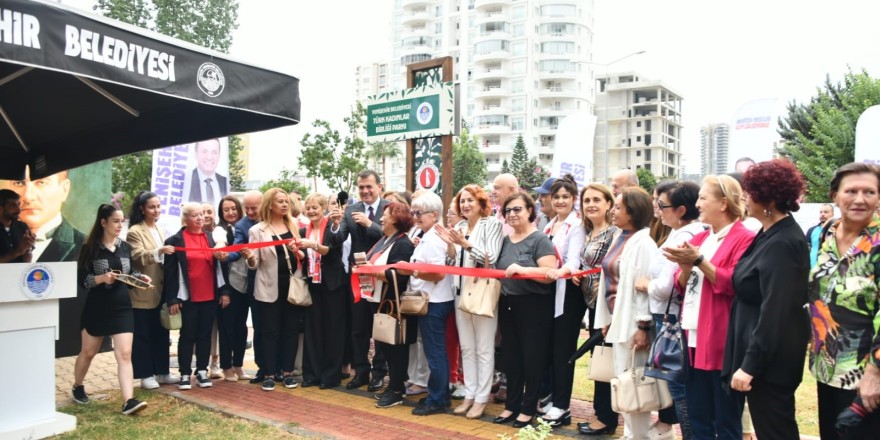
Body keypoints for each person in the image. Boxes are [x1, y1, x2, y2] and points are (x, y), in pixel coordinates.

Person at [723, 159, 810, 439]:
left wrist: (750, 365)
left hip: (771, 360)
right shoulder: (768, 233)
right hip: (763, 352)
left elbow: (776, 310)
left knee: (775, 430)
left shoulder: (783, 242)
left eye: (749, 192)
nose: (744, 199)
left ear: (767, 197)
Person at [664, 175, 755, 440]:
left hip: (721, 338)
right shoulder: (702, 236)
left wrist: (699, 260)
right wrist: (684, 268)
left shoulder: (744, 238)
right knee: (697, 414)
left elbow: (735, 283)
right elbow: (682, 285)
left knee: (726, 418)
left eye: (704, 197)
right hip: (692, 334)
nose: (698, 203)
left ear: (724, 203)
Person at [808, 162, 880, 439]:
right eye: (851, 191)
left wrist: (875, 374)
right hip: (827, 367)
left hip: (866, 376)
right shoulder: (828, 232)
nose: (860, 199)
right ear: (835, 196)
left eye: (869, 192)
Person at [634, 180, 703, 439]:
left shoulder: (685, 236)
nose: (657, 209)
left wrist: (646, 284)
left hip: (672, 318)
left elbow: (665, 287)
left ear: (682, 210)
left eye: (661, 205)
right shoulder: (678, 232)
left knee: (679, 387)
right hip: (670, 316)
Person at [71, 204, 150, 415]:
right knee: (88, 352)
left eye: (122, 221)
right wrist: (102, 278)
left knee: (124, 353)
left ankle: (128, 401)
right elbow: (83, 281)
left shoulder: (124, 246)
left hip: (122, 306)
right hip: (97, 307)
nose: (120, 225)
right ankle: (78, 385)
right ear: (103, 222)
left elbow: (129, 270)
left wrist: (139, 277)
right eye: (116, 221)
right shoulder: (90, 248)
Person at [593, 188, 657, 439]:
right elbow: (611, 279)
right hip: (619, 321)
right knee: (623, 381)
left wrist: (643, 327)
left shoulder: (644, 244)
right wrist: (608, 319)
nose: (613, 211)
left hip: (634, 325)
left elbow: (643, 289)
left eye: (618, 207)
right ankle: (631, 434)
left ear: (633, 213)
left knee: (634, 383)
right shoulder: (621, 237)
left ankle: (637, 435)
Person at [435, 184, 503, 419]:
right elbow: (452, 264)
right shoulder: (460, 226)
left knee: (484, 349)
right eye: (462, 201)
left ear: (481, 203)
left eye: (470, 200)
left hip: (482, 293)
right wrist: (451, 247)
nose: (465, 205)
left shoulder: (492, 224)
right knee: (467, 348)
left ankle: (482, 398)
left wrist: (465, 244)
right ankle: (470, 394)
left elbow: (491, 259)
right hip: (459, 292)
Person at [492, 193, 558, 428]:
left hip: (534, 305)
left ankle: (528, 409)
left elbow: (550, 274)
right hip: (508, 304)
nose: (512, 214)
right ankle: (511, 406)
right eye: (508, 210)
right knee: (512, 359)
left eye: (517, 209)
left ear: (531, 211)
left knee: (533, 359)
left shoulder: (540, 240)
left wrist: (522, 269)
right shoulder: (505, 240)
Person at [241, 188, 305, 392]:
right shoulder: (257, 230)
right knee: (269, 331)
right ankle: (268, 373)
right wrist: (249, 257)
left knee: (290, 331)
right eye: (280, 201)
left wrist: (299, 253)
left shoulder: (293, 225)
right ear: (270, 205)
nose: (285, 205)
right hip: (269, 286)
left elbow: (301, 255)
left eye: (286, 201)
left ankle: (287, 372)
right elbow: (255, 263)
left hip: (292, 285)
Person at [164, 202, 229, 390]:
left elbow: (220, 267)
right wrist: (172, 299)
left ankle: (201, 370)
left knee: (205, 335)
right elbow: (169, 273)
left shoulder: (210, 238)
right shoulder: (174, 241)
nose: (200, 218)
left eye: (201, 214)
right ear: (185, 218)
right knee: (187, 335)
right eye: (195, 215)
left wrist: (224, 291)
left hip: (209, 295)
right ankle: (184, 373)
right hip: (187, 297)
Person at [538, 175, 586, 427]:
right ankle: (552, 399)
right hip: (548, 293)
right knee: (549, 350)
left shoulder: (577, 226)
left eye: (565, 197)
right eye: (556, 197)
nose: (560, 201)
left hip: (568, 294)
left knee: (563, 352)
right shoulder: (548, 226)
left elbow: (574, 261)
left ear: (573, 199)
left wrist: (560, 270)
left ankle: (562, 406)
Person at [572, 183, 619, 436]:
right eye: (586, 200)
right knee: (599, 360)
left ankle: (606, 418)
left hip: (608, 307)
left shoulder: (614, 233)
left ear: (609, 204)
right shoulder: (588, 233)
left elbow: (613, 270)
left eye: (596, 200)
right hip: (592, 306)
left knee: (606, 361)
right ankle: (601, 412)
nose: (590, 204)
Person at [403, 192, 456, 415]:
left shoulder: (434, 238)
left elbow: (437, 274)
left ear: (434, 215)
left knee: (435, 354)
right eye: (413, 212)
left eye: (419, 213)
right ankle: (437, 394)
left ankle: (438, 398)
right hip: (432, 300)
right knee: (435, 352)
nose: (415, 217)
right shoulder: (429, 234)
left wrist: (413, 270)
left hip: (434, 301)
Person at [361, 202, 416, 408]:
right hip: (379, 301)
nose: (381, 219)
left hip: (394, 304)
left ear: (397, 218)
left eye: (385, 215)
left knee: (396, 349)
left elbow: (399, 275)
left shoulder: (403, 244)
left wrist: (371, 271)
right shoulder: (385, 240)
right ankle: (394, 386)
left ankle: (396, 389)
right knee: (386, 347)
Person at [339, 170, 389, 392]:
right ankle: (361, 371)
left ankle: (379, 373)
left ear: (379, 186)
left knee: (379, 326)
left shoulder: (390, 208)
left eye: (369, 186)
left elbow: (392, 237)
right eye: (361, 187)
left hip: (381, 277)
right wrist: (333, 224)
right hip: (359, 278)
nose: (365, 191)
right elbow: (339, 237)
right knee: (359, 328)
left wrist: (370, 224)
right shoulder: (350, 210)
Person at [125, 191, 179, 390]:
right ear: (142, 209)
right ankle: (145, 374)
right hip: (143, 291)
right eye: (151, 207)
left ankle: (162, 372)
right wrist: (159, 251)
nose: (156, 210)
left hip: (162, 290)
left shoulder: (159, 229)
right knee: (143, 335)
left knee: (161, 333)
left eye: (158, 206)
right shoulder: (134, 231)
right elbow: (138, 256)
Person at [296, 193, 346, 389]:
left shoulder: (332, 226)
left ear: (324, 207)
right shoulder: (302, 230)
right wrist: (299, 251)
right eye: (308, 208)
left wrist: (313, 245)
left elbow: (333, 249)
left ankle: (330, 376)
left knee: (333, 331)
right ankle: (312, 374)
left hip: (333, 284)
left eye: (315, 207)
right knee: (313, 330)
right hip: (313, 283)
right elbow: (303, 258)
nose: (311, 211)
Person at [0, 167, 85, 262]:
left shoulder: (86, 246)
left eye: (41, 183)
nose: (28, 196)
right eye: (19, 183)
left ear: (64, 189)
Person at [214, 195, 250, 382]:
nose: (230, 212)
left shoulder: (246, 226)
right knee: (226, 328)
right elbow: (220, 249)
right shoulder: (220, 230)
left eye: (233, 208)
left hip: (246, 284)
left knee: (241, 329)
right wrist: (224, 291)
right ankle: (226, 366)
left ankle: (238, 365)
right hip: (228, 287)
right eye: (226, 209)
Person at [230, 190, 262, 383]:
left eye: (254, 208)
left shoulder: (274, 220)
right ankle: (255, 366)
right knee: (250, 325)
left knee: (266, 327)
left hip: (274, 280)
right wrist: (227, 256)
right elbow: (237, 247)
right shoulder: (242, 225)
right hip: (251, 281)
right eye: (247, 208)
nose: (250, 212)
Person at [445, 200, 465, 400]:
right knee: (451, 338)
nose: (449, 216)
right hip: (452, 291)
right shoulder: (451, 231)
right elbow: (450, 261)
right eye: (448, 212)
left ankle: (465, 381)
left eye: (453, 212)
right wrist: (450, 244)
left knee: (467, 342)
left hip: (470, 292)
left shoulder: (474, 228)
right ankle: (453, 378)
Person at [187, 138, 228, 203]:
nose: (209, 157)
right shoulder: (186, 181)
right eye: (204, 152)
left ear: (219, 156)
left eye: (214, 152)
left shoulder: (226, 182)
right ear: (196, 155)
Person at [0, 189, 34, 263]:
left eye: (18, 204)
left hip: (19, 273)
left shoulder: (22, 227)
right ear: (1, 208)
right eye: (13, 205)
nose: (18, 210)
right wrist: (18, 252)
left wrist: (28, 249)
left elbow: (27, 258)